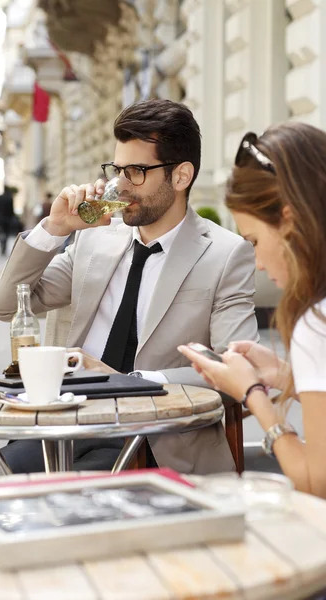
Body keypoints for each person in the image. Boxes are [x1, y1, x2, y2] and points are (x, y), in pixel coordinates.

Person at [0, 99, 258, 481]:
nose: (122, 185)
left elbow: (238, 370)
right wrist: (55, 229)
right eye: (117, 169)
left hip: (153, 438)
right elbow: (1, 306)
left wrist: (131, 382)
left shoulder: (226, 254)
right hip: (65, 424)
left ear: (181, 176)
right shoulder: (94, 241)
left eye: (136, 171)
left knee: (59, 504)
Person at [179, 122, 326, 498]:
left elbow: (315, 481)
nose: (257, 262)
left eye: (255, 241)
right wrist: (284, 375)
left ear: (290, 220)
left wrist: (251, 393)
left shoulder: (317, 322)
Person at [0, 185, 15, 255]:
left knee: (0, 232)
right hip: (7, 220)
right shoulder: (10, 198)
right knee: (6, 234)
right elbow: (12, 211)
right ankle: (4, 246)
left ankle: (1, 244)